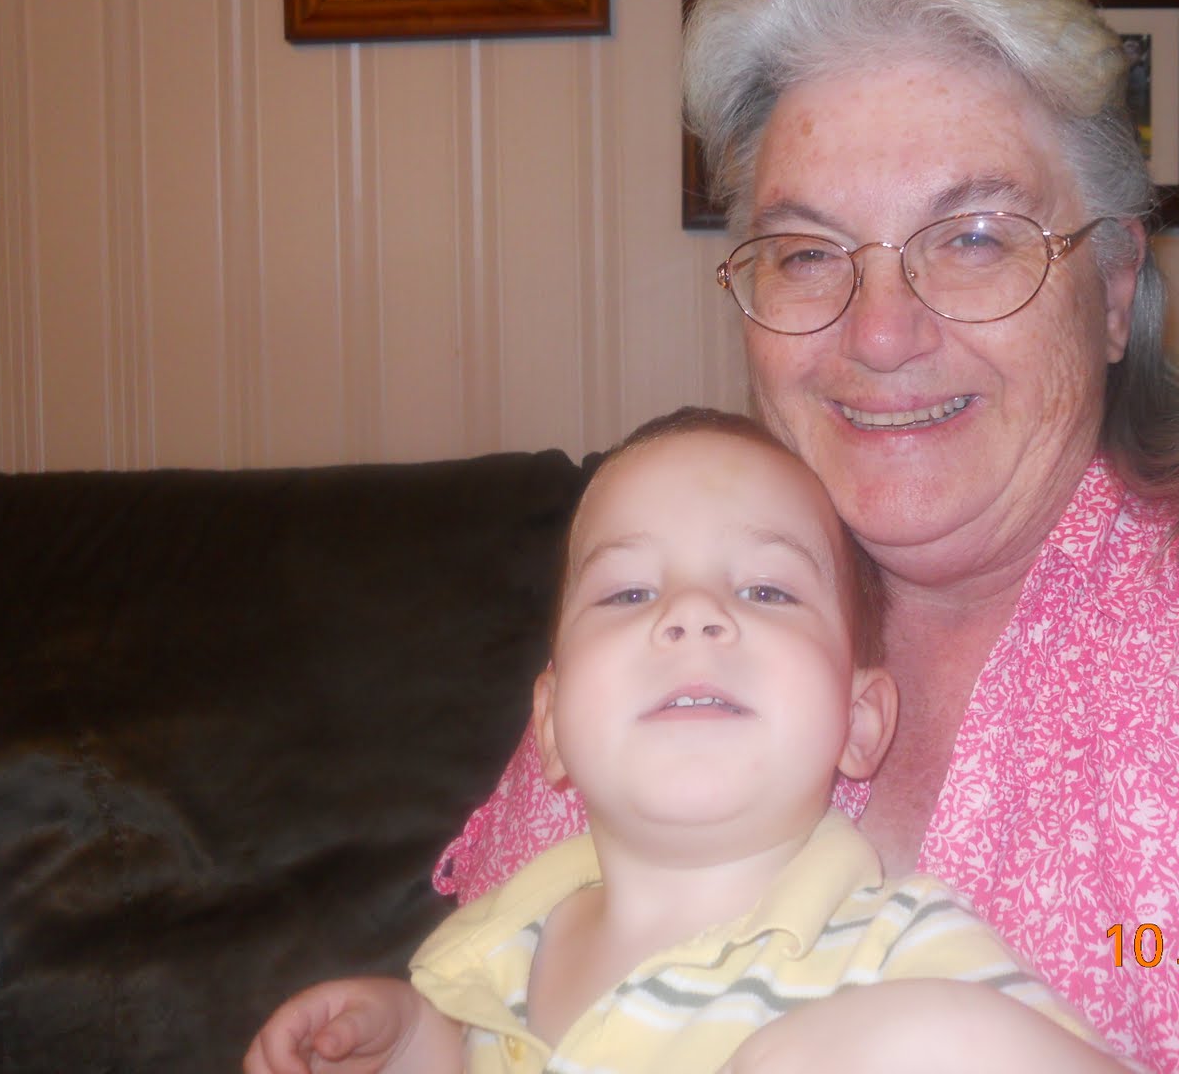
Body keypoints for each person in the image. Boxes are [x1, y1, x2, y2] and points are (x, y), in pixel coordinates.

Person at [434, 0, 1179, 1074]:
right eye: (808, 254)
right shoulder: (652, 632)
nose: (880, 334)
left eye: (975, 237)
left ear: (1110, 291)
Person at [244, 408, 1126, 1074]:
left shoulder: (897, 950)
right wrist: (411, 1043)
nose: (693, 613)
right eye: (628, 594)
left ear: (859, 721)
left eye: (767, 591)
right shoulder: (496, 947)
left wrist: (926, 1037)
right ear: (549, 726)